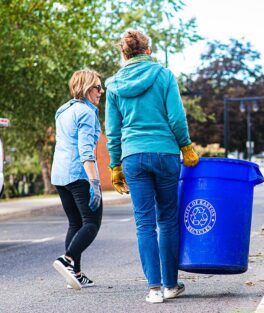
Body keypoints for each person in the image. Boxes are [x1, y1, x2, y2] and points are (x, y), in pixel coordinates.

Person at [105, 29, 199, 304]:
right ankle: (171, 284)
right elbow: (176, 117)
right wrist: (186, 146)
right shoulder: (164, 75)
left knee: (144, 223)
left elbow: (113, 130)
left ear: (124, 54)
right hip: (166, 153)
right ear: (148, 51)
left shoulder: (113, 85)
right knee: (167, 218)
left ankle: (154, 289)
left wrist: (115, 165)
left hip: (133, 156)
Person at [51, 69, 104, 290]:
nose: (101, 91)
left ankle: (76, 273)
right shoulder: (86, 113)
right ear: (85, 88)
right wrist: (95, 183)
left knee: (76, 223)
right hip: (79, 174)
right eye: (97, 87)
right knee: (91, 223)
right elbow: (85, 150)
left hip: (60, 175)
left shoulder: (63, 110)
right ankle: (68, 259)